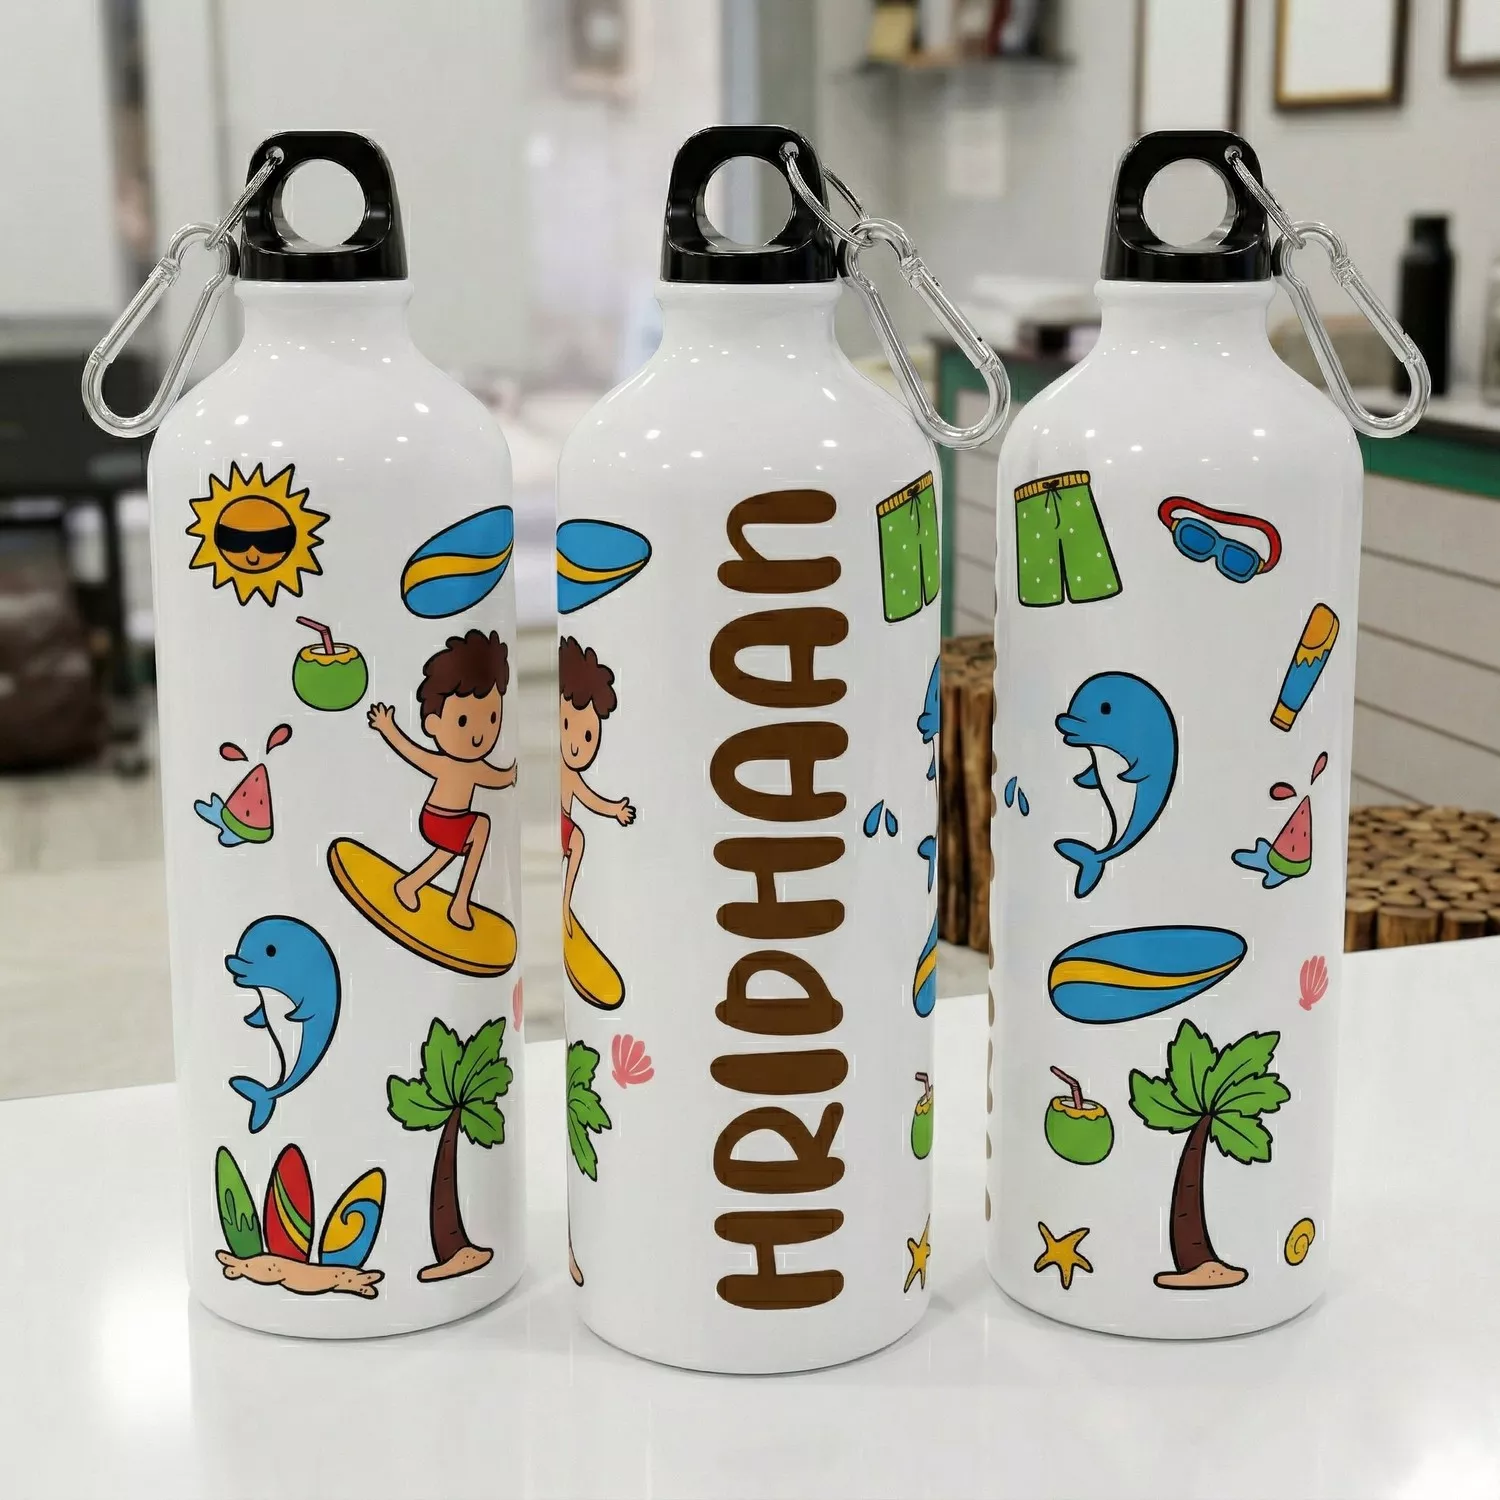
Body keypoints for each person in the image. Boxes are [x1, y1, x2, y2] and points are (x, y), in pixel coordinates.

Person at [368, 628, 517, 930]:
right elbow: (411, 752)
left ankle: (412, 886)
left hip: (450, 822)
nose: (479, 734)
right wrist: (387, 727)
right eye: (463, 720)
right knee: (479, 829)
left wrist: (513, 774)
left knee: (456, 846)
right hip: (438, 819)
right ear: (433, 724)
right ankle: (459, 902)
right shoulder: (447, 764)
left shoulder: (475, 766)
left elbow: (499, 778)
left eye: (492, 718)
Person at [558, 636, 635, 937]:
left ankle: (565, 904)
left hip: (563, 824)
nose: (576, 745)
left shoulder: (571, 775)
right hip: (557, 823)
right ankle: (564, 905)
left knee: (576, 842)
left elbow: (589, 798)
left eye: (588, 736)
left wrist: (614, 809)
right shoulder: (559, 767)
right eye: (566, 725)